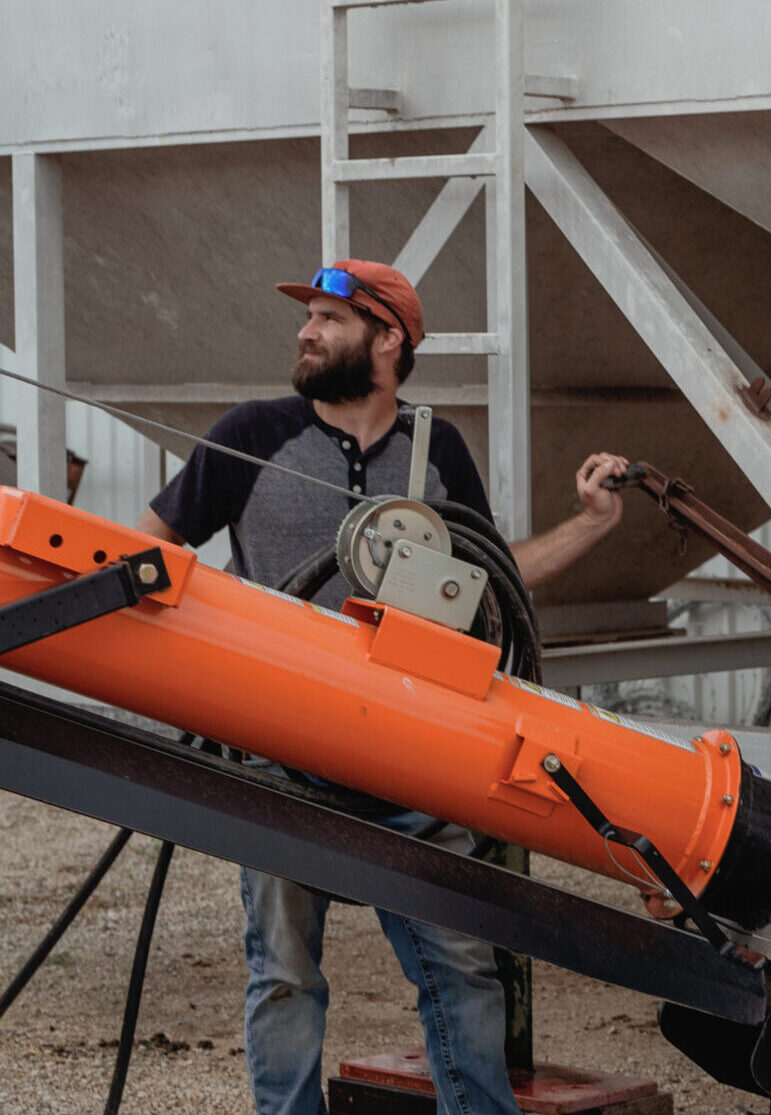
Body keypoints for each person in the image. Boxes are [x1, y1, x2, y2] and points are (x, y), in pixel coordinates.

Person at [137, 259, 630, 1115]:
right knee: (284, 972)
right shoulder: (250, 434)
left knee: (460, 964)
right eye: (309, 319)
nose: (306, 332)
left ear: (389, 337)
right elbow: (140, 558)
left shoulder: (437, 450)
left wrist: (591, 522)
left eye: (329, 318)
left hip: (412, 754)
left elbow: (493, 577)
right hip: (280, 751)